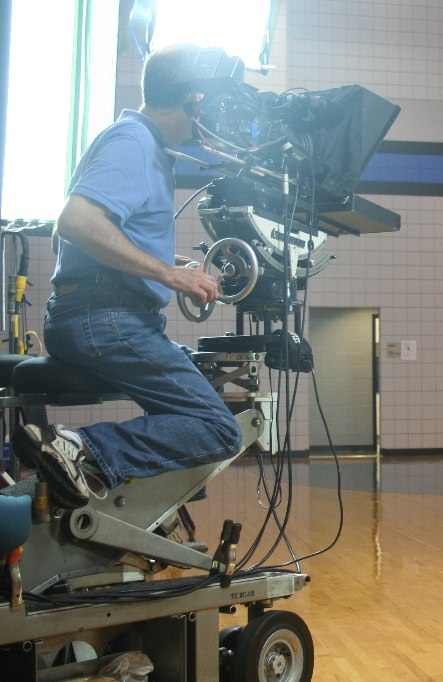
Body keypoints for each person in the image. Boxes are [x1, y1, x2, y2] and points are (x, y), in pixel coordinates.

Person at [14, 43, 243, 509]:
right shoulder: (134, 141)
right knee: (218, 427)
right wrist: (165, 274)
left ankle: (127, 503)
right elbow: (76, 223)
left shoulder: (140, 144)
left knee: (192, 403)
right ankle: (76, 448)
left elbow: (67, 241)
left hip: (94, 314)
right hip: (104, 319)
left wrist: (165, 263)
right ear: (195, 98)